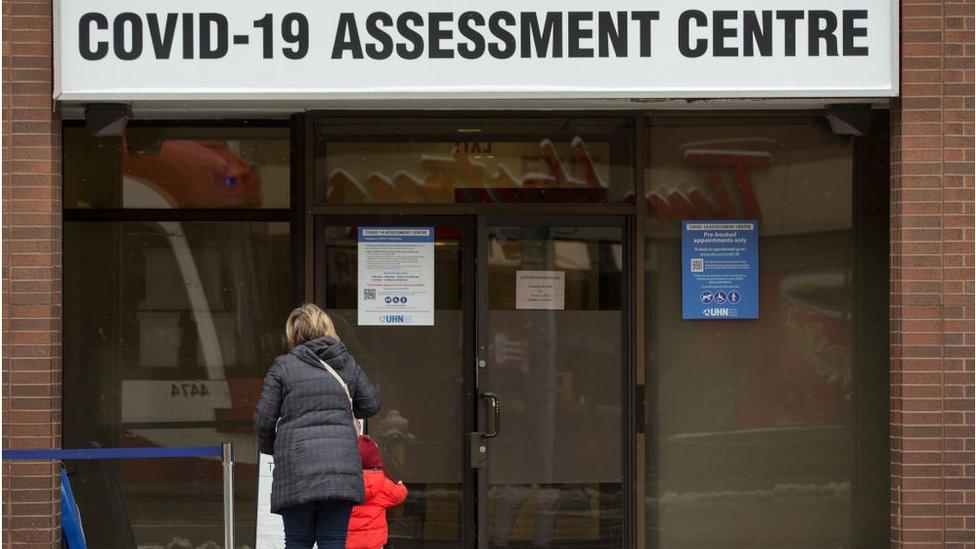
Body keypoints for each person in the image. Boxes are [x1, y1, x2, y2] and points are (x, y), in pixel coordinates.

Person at [254, 303, 381, 549]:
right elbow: (371, 405)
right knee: (333, 541)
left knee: (297, 541)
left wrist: (274, 449)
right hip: (340, 469)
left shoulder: (283, 366)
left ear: (293, 334)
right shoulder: (347, 363)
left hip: (296, 468)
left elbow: (263, 419)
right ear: (327, 328)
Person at [346, 435, 408, 549]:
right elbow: (399, 495)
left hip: (347, 542)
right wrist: (400, 485)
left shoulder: (345, 483)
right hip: (374, 543)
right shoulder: (383, 484)